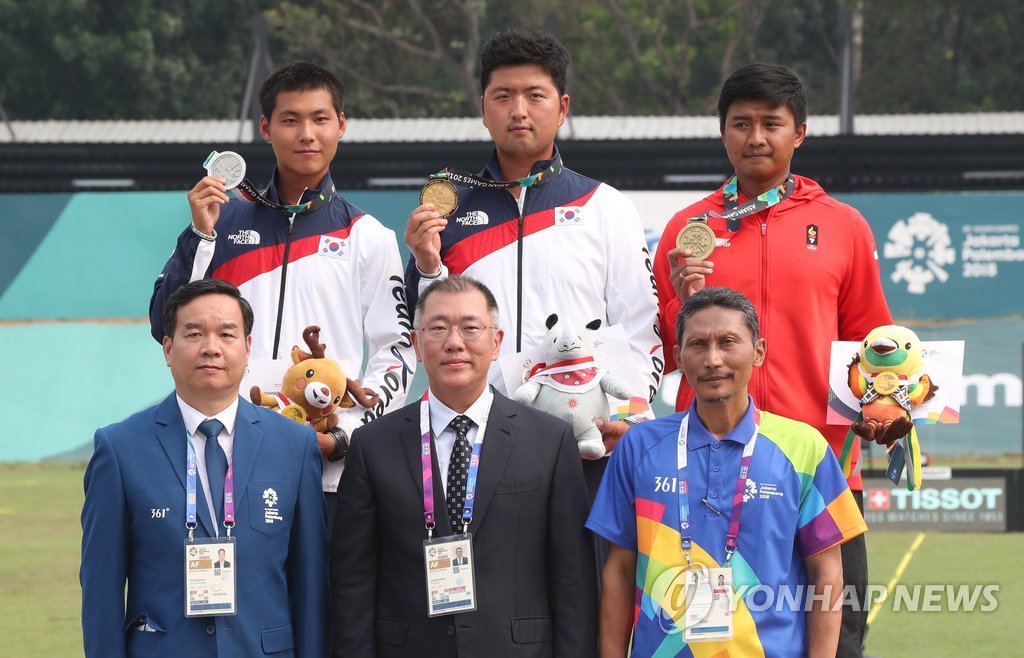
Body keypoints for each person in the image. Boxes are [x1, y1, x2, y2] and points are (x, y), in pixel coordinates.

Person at [652, 63, 891, 656]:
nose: (755, 137)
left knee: (835, 636)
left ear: (799, 132)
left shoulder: (843, 226)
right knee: (706, 638)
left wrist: (890, 410)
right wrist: (681, 302)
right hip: (707, 468)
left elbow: (873, 344)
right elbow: (663, 351)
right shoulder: (688, 230)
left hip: (820, 466)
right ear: (723, 132)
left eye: (771, 123)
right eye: (740, 124)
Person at [148, 62, 415, 518]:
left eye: (320, 119)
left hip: (328, 469)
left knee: (324, 591)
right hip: (228, 454)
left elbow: (399, 352)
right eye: (291, 120)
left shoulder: (368, 236)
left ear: (342, 125)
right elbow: (163, 323)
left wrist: (345, 435)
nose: (306, 133)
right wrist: (200, 235)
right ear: (267, 128)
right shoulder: (222, 222)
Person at [403, 28, 662, 457]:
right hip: (479, 438)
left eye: (534, 96)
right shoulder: (445, 213)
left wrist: (627, 412)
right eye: (503, 96)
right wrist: (427, 266)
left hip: (584, 439)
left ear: (562, 108)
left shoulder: (605, 206)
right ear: (483, 109)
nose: (518, 111)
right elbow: (418, 328)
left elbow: (642, 326)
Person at [588, 287, 866, 657]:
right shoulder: (639, 447)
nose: (713, 359)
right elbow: (619, 572)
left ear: (759, 352)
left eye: (728, 342)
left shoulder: (804, 447)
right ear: (679, 357)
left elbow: (827, 576)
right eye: (698, 345)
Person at [330, 275, 596, 657]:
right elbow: (353, 579)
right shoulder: (373, 444)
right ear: (418, 345)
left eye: (471, 328)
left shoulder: (549, 440)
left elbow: (573, 576)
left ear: (496, 342)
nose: (454, 342)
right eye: (438, 328)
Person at [81, 279, 327, 658]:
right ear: (168, 348)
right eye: (194, 333)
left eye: (227, 334)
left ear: (247, 347)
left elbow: (311, 584)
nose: (211, 347)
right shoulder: (120, 448)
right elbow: (101, 589)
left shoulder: (295, 446)